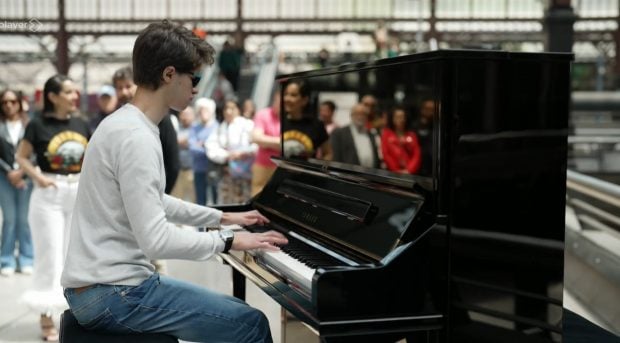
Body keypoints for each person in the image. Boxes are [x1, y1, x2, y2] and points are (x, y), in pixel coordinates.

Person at [61, 20, 286, 343]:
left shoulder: (122, 124)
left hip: (97, 289)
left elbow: (153, 199)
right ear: (169, 75)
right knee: (250, 324)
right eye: (193, 78)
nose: (196, 89)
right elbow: (156, 241)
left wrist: (223, 217)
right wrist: (229, 240)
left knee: (235, 313)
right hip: (115, 294)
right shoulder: (136, 137)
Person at [16, 75, 90, 341]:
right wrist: (38, 177)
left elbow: (92, 156)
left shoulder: (82, 123)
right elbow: (21, 157)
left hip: (77, 192)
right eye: (68, 92)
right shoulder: (37, 125)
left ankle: (73, 315)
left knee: (75, 257)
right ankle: (46, 315)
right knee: (49, 257)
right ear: (53, 96)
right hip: (49, 194)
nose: (74, 96)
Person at [112, 66, 180, 194]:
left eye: (128, 86)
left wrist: (161, 196)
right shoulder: (114, 120)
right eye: (119, 88)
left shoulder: (159, 118)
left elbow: (173, 164)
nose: (124, 92)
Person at [0, 89, 34, 277]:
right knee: (10, 219)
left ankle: (27, 258)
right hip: (4, 178)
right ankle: (6, 259)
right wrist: (9, 172)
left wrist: (22, 171)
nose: (9, 105)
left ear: (19, 103)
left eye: (12, 101)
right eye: (5, 102)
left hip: (25, 177)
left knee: (24, 220)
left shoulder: (28, 124)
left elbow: (35, 151)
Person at [206, 100, 256, 204]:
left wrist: (242, 153)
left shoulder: (248, 125)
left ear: (238, 110)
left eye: (232, 108)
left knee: (244, 203)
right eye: (226, 108)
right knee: (226, 204)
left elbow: (256, 144)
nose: (228, 111)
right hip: (226, 174)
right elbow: (211, 147)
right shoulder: (219, 128)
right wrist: (227, 155)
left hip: (246, 173)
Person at [282, 80, 331, 160]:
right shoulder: (278, 120)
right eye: (286, 94)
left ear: (304, 100)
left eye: (293, 95)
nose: (287, 99)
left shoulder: (317, 125)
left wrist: (318, 169)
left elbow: (328, 153)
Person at [331, 103, 381, 169]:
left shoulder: (371, 134)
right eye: (357, 114)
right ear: (351, 115)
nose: (360, 117)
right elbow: (336, 159)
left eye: (363, 114)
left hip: (370, 176)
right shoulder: (339, 133)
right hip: (348, 176)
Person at [189, 97, 219, 206]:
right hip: (199, 169)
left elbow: (217, 149)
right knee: (200, 201)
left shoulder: (217, 127)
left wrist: (203, 144)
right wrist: (207, 147)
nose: (202, 113)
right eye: (200, 110)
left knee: (215, 200)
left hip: (214, 169)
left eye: (205, 110)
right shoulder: (194, 127)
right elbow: (192, 149)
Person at [251, 91, 281, 196]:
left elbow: (289, 145)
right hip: (262, 165)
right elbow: (256, 138)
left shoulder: (290, 118)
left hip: (280, 168)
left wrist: (266, 142)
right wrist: (279, 143)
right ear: (275, 99)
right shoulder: (263, 114)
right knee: (257, 197)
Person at [381, 106, 422, 174]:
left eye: (403, 117)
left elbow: (416, 155)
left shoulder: (412, 135)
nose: (401, 119)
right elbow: (386, 154)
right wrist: (396, 171)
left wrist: (409, 170)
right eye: (397, 117)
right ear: (392, 119)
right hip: (392, 173)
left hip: (409, 173)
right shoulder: (386, 134)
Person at [171, 106, 196, 203]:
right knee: (177, 200)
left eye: (187, 114)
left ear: (193, 116)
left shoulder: (196, 129)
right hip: (179, 171)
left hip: (192, 170)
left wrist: (187, 142)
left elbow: (193, 143)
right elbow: (173, 142)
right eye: (183, 114)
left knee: (194, 201)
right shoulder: (177, 128)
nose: (185, 117)